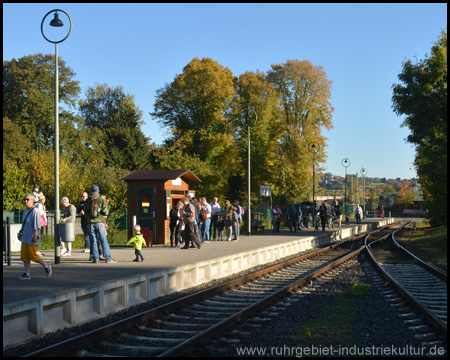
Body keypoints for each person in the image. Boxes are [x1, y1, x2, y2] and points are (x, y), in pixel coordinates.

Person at [17, 194, 52, 280]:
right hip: (25, 236)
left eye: (27, 199)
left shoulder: (35, 211)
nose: (26, 201)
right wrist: (21, 232)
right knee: (24, 256)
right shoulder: (25, 211)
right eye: (25, 199)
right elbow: (24, 223)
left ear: (32, 200)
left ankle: (46, 266)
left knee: (32, 255)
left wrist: (35, 235)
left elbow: (37, 224)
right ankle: (27, 274)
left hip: (32, 236)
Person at [83, 185, 117, 263]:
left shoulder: (88, 200)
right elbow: (106, 212)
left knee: (93, 241)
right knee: (103, 240)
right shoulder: (101, 200)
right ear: (98, 191)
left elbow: (84, 211)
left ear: (91, 191)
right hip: (100, 222)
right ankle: (108, 258)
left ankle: (95, 258)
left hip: (90, 223)